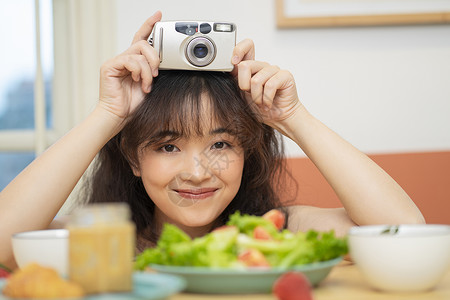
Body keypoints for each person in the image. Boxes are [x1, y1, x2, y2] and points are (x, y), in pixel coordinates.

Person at [0, 11, 424, 268]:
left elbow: (405, 233)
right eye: (168, 146)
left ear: (246, 151)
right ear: (133, 158)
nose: (197, 172)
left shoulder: (277, 236)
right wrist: (107, 115)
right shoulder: (107, 245)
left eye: (221, 144)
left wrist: (293, 118)